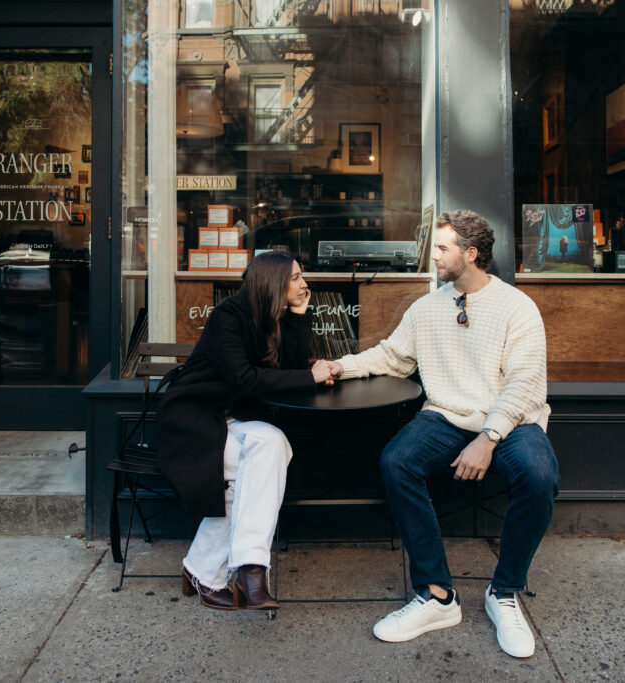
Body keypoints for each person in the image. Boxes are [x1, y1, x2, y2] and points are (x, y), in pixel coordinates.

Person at [328, 210, 559, 658]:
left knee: (539, 475)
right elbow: (392, 357)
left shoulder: (517, 307)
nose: (433, 256)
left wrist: (488, 437)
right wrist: (341, 366)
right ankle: (437, 595)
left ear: (471, 254)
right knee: (397, 461)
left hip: (509, 419)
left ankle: (504, 591)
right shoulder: (428, 307)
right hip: (446, 415)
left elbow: (525, 382)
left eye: (442, 248)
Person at [156, 251, 335, 611]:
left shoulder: (275, 318)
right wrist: (309, 376)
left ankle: (233, 569)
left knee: (272, 444)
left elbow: (293, 371)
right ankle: (230, 573)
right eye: (297, 278)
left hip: (226, 421)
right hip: (191, 420)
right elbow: (244, 378)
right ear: (274, 282)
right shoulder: (228, 316)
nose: (305, 284)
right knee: (258, 472)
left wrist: (299, 317)